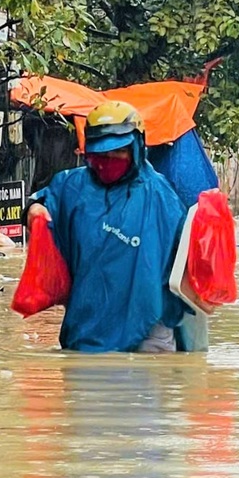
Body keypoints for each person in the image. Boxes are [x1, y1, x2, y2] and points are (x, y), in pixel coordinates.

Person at [26, 100, 189, 353]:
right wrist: (35, 213)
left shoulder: (160, 195)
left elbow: (188, 262)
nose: (109, 160)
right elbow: (40, 204)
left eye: (118, 151)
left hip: (147, 332)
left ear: (136, 146)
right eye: (100, 154)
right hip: (86, 325)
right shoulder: (71, 186)